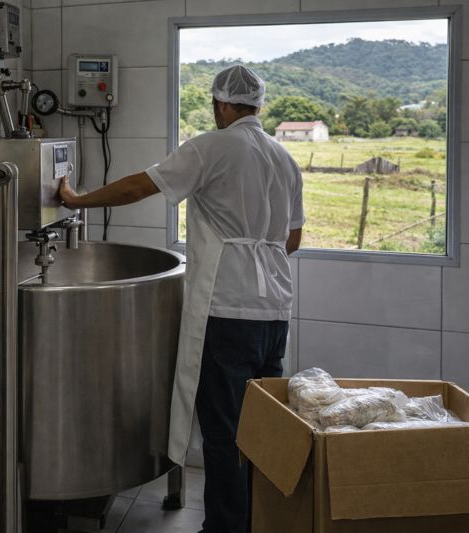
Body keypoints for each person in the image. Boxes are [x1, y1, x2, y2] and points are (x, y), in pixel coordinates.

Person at [59, 64, 304, 533]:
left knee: (224, 431)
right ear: (258, 104)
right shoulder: (283, 157)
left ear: (221, 104)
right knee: (258, 429)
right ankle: (256, 521)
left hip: (227, 311)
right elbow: (292, 239)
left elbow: (140, 186)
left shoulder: (212, 146)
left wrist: (76, 200)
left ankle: (225, 528)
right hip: (275, 310)